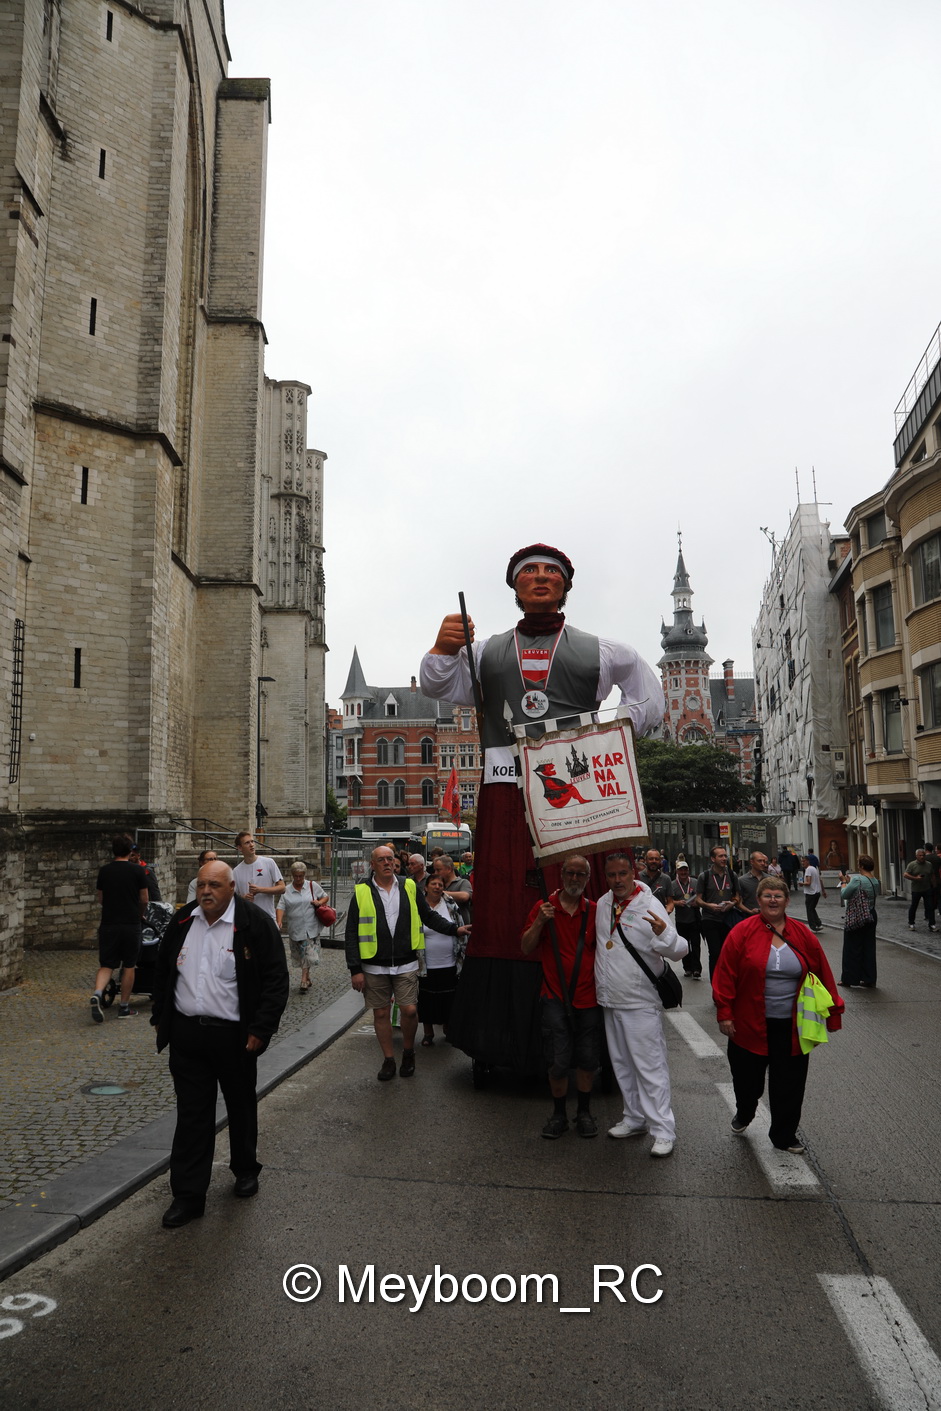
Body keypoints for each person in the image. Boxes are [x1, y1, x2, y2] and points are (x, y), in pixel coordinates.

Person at [420, 542, 663, 1073]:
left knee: (577, 896)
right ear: (514, 585)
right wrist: (441, 648)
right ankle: (503, 1045)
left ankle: (591, 1035)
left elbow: (648, 695)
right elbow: (440, 685)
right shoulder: (485, 651)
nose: (539, 577)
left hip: (573, 792)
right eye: (527, 570)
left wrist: (610, 734)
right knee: (504, 904)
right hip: (505, 790)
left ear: (565, 585)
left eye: (550, 571)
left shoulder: (603, 650)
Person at [151, 860, 289, 1228]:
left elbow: (276, 979)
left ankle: (245, 1169)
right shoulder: (183, 921)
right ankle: (188, 1195)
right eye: (201, 885)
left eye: (214, 885)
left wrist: (261, 1028)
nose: (206, 891)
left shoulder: (253, 923)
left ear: (231, 887)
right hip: (187, 1036)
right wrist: (159, 1015)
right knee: (192, 1115)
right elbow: (163, 969)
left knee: (240, 1105)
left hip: (235, 1037)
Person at [712, 875, 843, 1153]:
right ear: (758, 900)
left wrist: (834, 1013)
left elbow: (822, 973)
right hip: (748, 1025)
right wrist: (725, 1013)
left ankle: (784, 1135)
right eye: (767, 895)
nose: (773, 900)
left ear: (786, 901)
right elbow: (725, 974)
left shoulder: (802, 934)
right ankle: (745, 1110)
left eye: (778, 896)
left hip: (793, 1026)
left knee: (789, 1084)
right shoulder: (742, 932)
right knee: (747, 1081)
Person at [345, 846, 470, 1081]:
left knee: (410, 1011)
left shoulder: (409, 886)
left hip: (406, 962)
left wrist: (455, 930)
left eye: (389, 859)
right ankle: (389, 1059)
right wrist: (355, 969)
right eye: (381, 860)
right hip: (374, 964)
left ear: (395, 862)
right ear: (372, 865)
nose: (386, 863)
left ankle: (409, 1052)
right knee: (381, 1013)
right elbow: (351, 932)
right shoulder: (362, 891)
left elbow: (428, 916)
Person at [594, 851, 688, 1157]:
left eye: (622, 874)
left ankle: (663, 1130)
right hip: (611, 999)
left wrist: (664, 935)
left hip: (640, 1001)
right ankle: (634, 1118)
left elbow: (680, 950)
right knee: (622, 1065)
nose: (617, 880)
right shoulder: (603, 904)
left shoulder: (649, 903)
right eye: (611, 875)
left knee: (650, 1067)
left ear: (633, 872)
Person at [520, 855, 601, 1139]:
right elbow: (526, 947)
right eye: (570, 873)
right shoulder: (544, 907)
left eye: (580, 874)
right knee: (557, 1060)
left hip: (589, 998)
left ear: (587, 879)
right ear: (562, 875)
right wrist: (539, 923)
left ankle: (584, 1113)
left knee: (587, 1059)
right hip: (554, 997)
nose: (574, 879)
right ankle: (559, 1115)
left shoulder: (595, 911)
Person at [92, 833, 149, 1022]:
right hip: (131, 923)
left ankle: (98, 993)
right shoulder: (138, 871)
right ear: (130, 850)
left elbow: (101, 898)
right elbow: (144, 899)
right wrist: (140, 913)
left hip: (109, 923)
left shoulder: (105, 871)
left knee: (107, 964)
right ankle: (124, 1007)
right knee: (129, 965)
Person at [418, 873, 464, 1046]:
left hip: (449, 961)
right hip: (425, 963)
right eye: (434, 884)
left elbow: (460, 927)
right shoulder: (419, 907)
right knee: (426, 998)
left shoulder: (450, 905)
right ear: (426, 887)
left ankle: (447, 1028)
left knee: (448, 998)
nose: (437, 887)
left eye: (440, 885)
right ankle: (428, 1033)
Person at [695, 846, 745, 978]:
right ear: (713, 859)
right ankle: (715, 983)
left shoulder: (732, 875)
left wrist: (732, 903)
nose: (724, 859)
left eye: (725, 856)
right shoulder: (704, 876)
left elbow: (737, 896)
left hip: (728, 919)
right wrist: (708, 905)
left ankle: (727, 981)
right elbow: (698, 899)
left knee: (728, 952)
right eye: (720, 856)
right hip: (710, 919)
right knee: (715, 953)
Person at [278, 860, 327, 993]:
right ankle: (308, 976)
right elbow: (281, 906)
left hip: (311, 927)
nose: (298, 878)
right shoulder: (287, 890)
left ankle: (303, 980)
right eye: (296, 876)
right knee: (301, 955)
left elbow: (325, 897)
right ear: (292, 875)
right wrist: (279, 921)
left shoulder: (312, 886)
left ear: (304, 875)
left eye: (301, 876)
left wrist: (319, 902)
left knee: (307, 953)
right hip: (295, 928)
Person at [839, 855, 881, 988]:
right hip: (871, 914)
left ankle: (849, 978)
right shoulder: (876, 881)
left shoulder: (857, 879)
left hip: (858, 915)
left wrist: (844, 882)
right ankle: (869, 978)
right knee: (868, 947)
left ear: (861, 866)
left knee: (851, 947)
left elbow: (845, 894)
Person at [232, 830, 285, 922]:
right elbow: (232, 898)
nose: (251, 845)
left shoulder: (269, 862)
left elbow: (282, 888)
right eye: (247, 843)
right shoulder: (236, 871)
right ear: (240, 848)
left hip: (268, 918)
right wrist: (244, 899)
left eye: (252, 841)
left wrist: (260, 890)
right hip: (249, 921)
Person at [671, 859, 702, 979]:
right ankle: (687, 968)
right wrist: (677, 903)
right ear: (677, 871)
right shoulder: (673, 885)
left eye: (685, 870)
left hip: (694, 919)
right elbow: (669, 901)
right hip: (681, 920)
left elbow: (701, 897)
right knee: (684, 945)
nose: (683, 872)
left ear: (688, 870)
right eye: (681, 870)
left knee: (695, 944)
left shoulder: (695, 882)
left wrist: (697, 903)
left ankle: (697, 969)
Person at [433, 853, 473, 924]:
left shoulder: (462, 883)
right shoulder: (438, 885)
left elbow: (464, 896)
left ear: (449, 869)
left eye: (438, 870)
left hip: (461, 927)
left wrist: (440, 893)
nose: (435, 873)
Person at [903, 849, 937, 932]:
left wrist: (935, 887)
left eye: (923, 855)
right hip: (916, 890)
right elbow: (905, 874)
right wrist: (915, 878)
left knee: (930, 907)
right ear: (916, 856)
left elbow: (932, 875)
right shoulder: (912, 864)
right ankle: (911, 923)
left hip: (927, 889)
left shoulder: (929, 864)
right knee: (914, 906)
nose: (922, 857)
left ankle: (932, 924)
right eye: (920, 855)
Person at [737, 852, 769, 916]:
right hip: (749, 917)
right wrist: (749, 911)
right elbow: (738, 903)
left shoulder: (770, 879)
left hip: (767, 917)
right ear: (752, 862)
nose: (763, 863)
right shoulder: (742, 880)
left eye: (764, 861)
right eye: (759, 861)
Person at [800, 855, 826, 932]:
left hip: (811, 893)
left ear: (808, 861)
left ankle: (813, 926)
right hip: (817, 892)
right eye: (801, 861)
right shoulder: (814, 868)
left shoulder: (808, 870)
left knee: (809, 910)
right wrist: (823, 891)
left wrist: (802, 883)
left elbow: (808, 883)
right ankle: (818, 923)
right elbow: (820, 880)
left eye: (804, 861)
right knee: (812, 909)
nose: (802, 863)